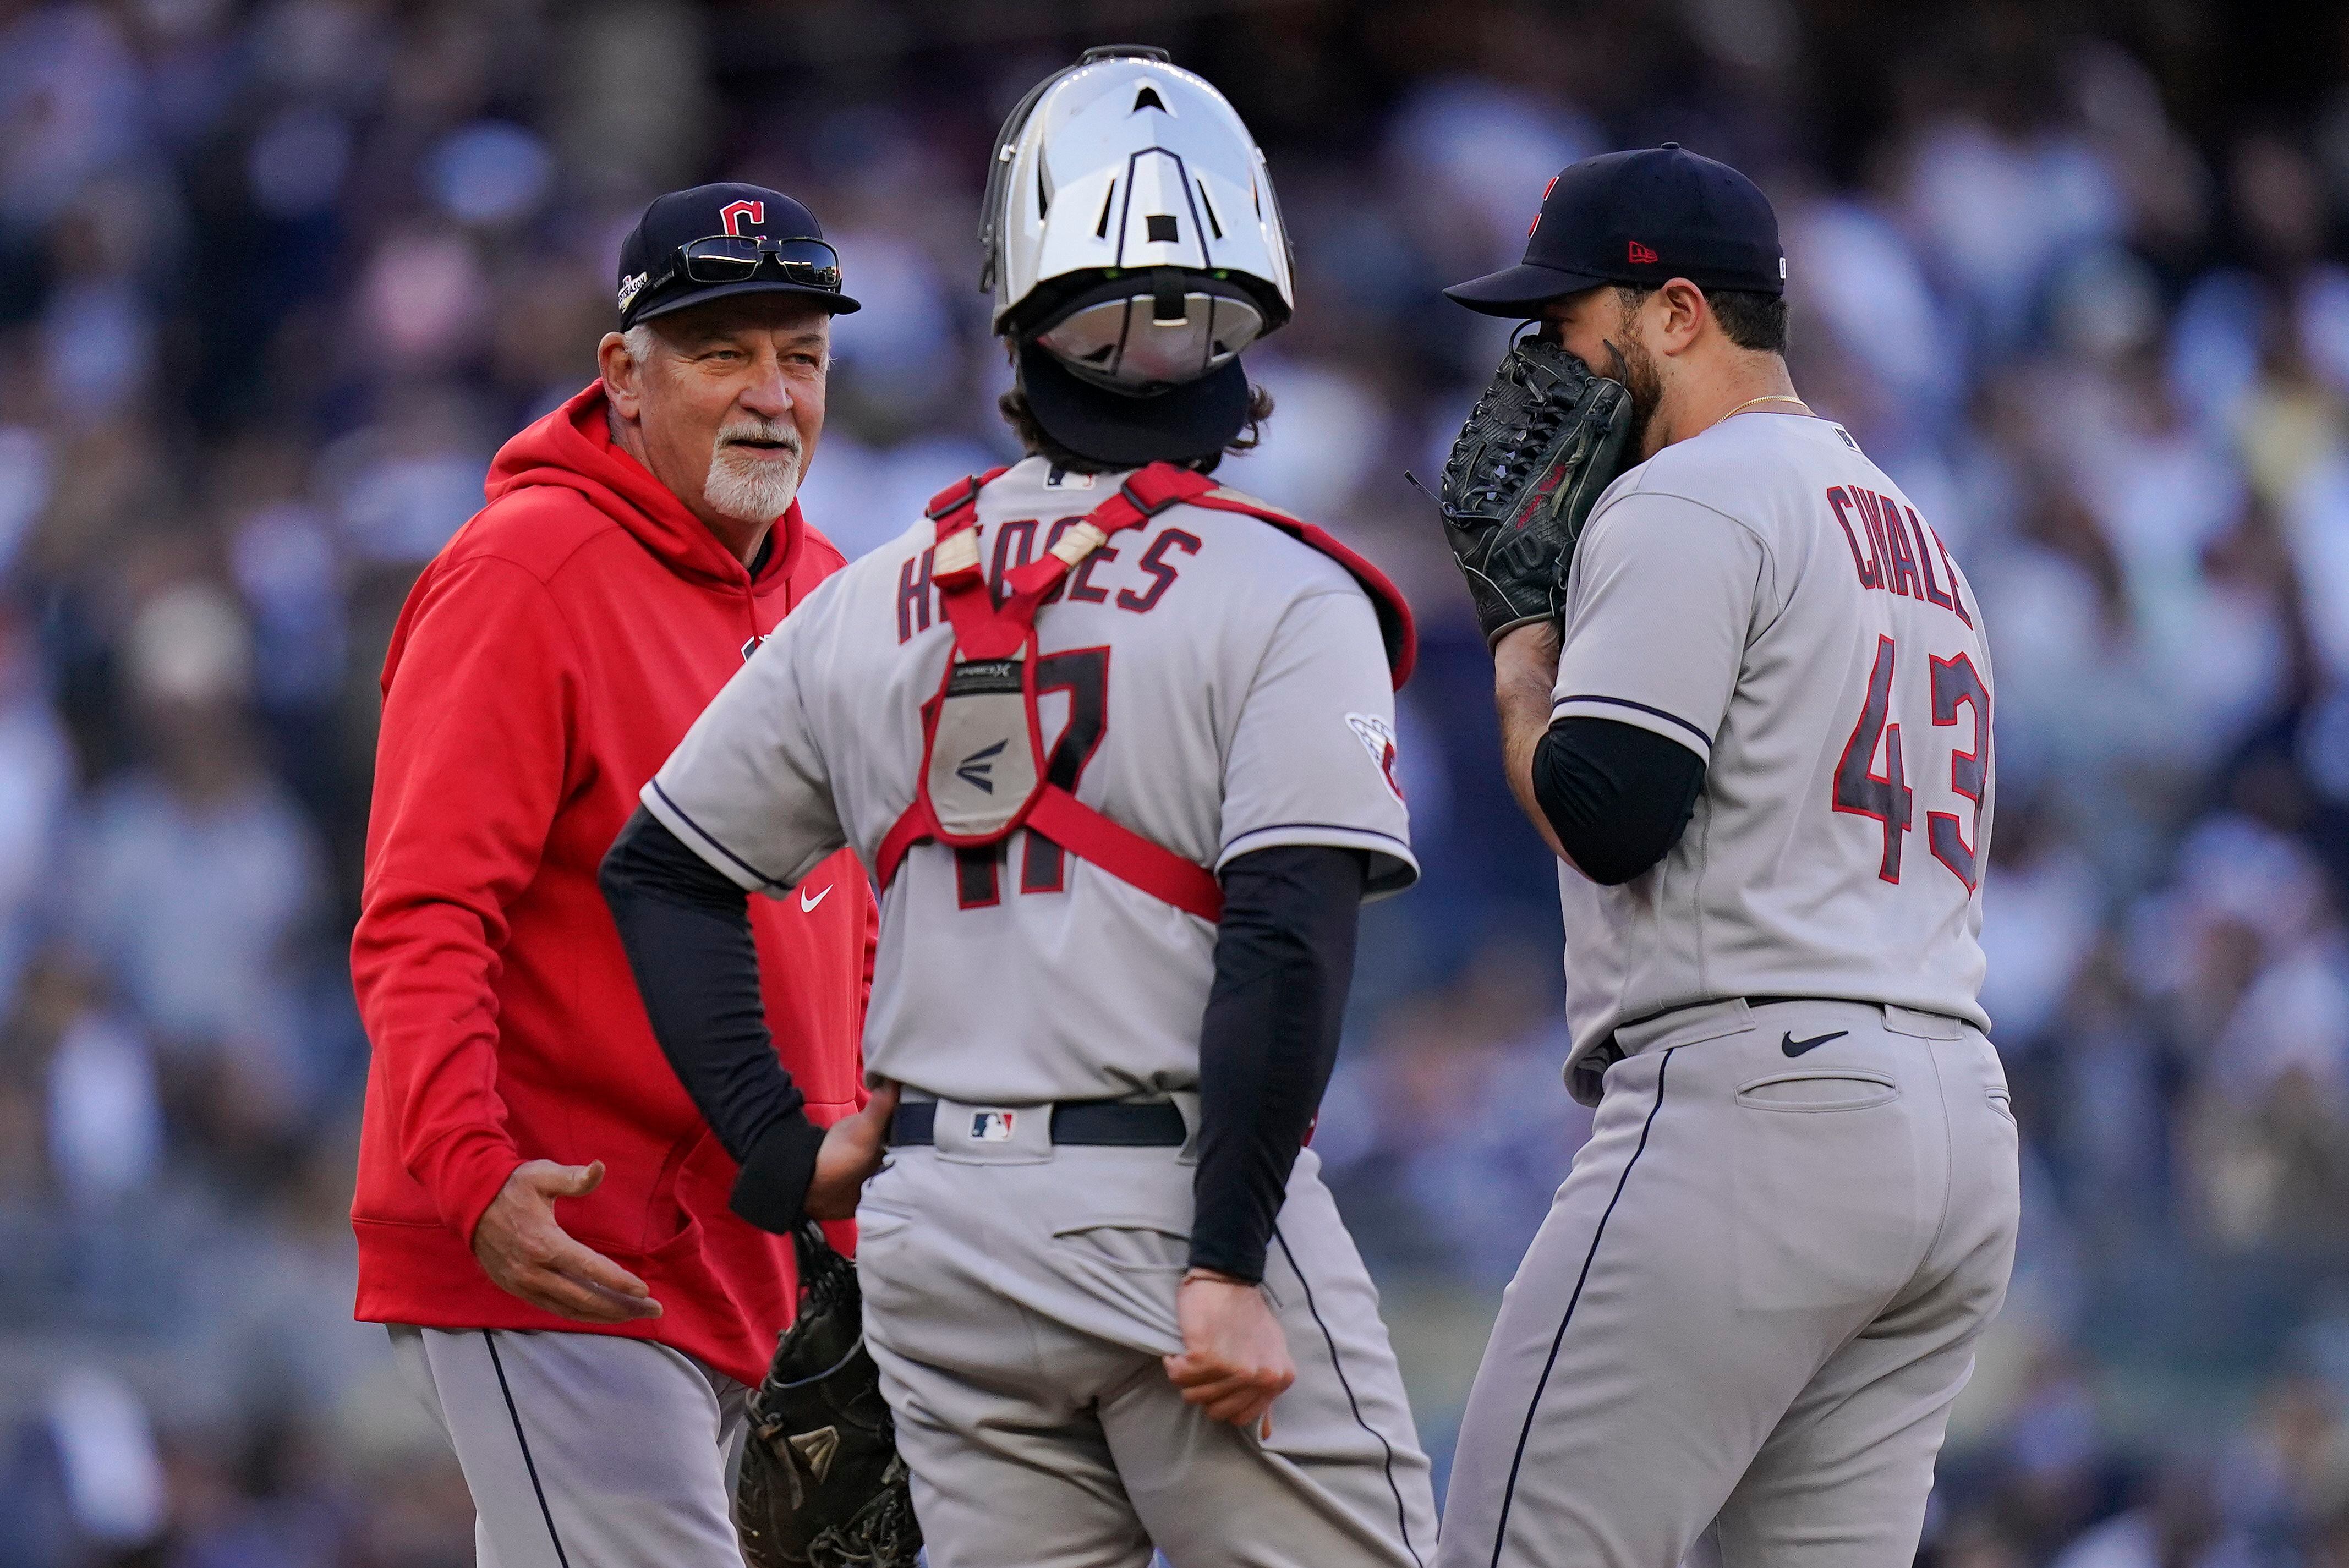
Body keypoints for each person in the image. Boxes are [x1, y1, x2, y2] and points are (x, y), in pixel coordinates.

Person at [601, 48, 1437, 1568]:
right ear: (1245, 340)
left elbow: (659, 869)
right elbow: (1283, 942)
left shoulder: (869, 598)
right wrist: (1227, 1261)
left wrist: (780, 1152)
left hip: (936, 1232)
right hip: (1165, 1205)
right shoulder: (1287, 587)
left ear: (1018, 318)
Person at [1430, 145, 2021, 1568]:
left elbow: (1608, 806)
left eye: (1569, 326)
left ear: (1676, 313)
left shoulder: (1685, 493)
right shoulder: (1913, 532)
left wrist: (1519, 643)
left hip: (1759, 1110)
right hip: (1948, 1127)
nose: (1541, 367)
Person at [348, 183, 878, 1568]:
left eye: (802, 355)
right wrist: (471, 1172)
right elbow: (423, 915)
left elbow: (857, 930)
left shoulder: (828, 591)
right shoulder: (523, 574)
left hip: (758, 1256)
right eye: (723, 353)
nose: (772, 394)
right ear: (622, 378)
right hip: (558, 1240)